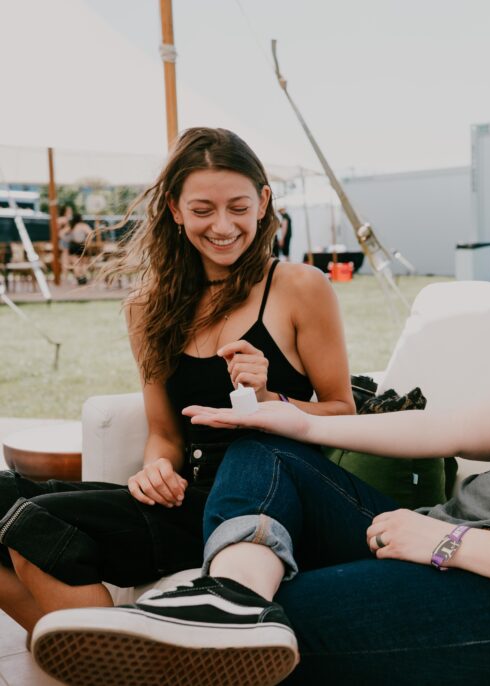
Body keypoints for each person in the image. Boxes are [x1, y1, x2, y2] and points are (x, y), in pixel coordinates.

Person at [33, 224, 490, 686]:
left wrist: (446, 540)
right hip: (440, 548)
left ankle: (236, 617)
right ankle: (233, 596)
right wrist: (295, 419)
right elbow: (443, 429)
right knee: (266, 444)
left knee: (290, 628)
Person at [0, 127, 354, 641]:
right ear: (174, 209)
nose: (223, 225)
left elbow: (344, 412)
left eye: (237, 206)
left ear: (263, 202)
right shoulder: (148, 308)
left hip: (262, 503)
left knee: (36, 523)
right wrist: (154, 471)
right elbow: (164, 432)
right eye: (203, 209)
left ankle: (109, 661)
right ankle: (102, 659)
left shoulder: (299, 287)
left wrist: (270, 399)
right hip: (185, 498)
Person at [65, 212, 93, 284]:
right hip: (82, 246)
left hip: (73, 246)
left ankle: (78, 278)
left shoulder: (71, 227)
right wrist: (88, 242)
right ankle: (83, 277)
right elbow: (91, 234)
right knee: (83, 263)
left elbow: (63, 234)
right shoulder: (83, 226)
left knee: (76, 264)